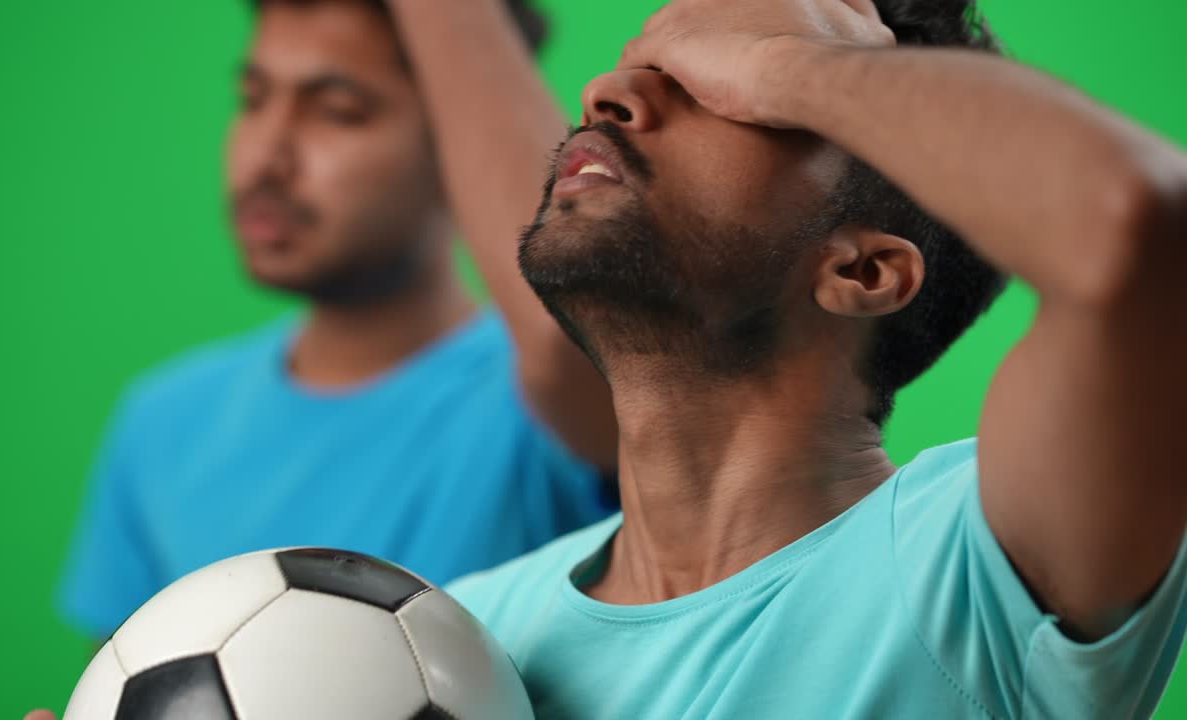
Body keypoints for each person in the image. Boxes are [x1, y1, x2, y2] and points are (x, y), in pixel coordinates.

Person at [448, 0, 1187, 717]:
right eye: (638, 64)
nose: (604, 93)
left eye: (710, 83)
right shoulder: (463, 637)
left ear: (862, 272)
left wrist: (783, 63)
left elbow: (1137, 220)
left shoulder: (980, 576)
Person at [58, 0, 619, 642]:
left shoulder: (553, 408)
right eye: (253, 98)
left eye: (338, 112)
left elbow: (562, 332)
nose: (264, 156)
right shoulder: (161, 420)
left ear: (458, 149)